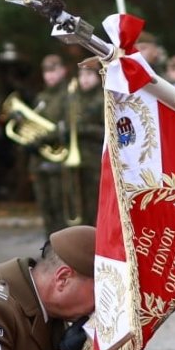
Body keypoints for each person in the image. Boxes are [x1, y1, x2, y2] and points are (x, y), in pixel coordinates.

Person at [27, 53, 72, 235]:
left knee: (60, 208)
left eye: (54, 71)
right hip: (40, 161)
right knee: (46, 210)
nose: (50, 76)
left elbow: (66, 126)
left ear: (62, 71)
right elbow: (34, 125)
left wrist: (42, 139)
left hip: (60, 160)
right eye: (46, 72)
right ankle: (50, 250)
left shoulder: (69, 96)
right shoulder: (41, 97)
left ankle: (65, 253)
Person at [71, 58, 105, 226]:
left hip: (95, 160)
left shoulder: (102, 98)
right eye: (81, 74)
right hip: (77, 162)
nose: (84, 78)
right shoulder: (74, 98)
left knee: (94, 207)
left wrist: (82, 128)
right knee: (78, 206)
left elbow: (107, 131)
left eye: (88, 74)